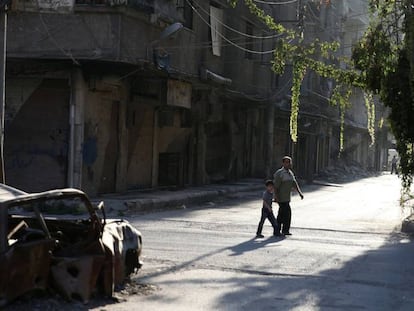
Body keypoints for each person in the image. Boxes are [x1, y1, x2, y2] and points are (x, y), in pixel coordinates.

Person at [273, 156, 304, 236]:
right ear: (283, 163)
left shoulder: (290, 173)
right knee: (283, 215)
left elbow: (294, 183)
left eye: (289, 162)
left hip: (287, 198)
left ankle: (284, 230)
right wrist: (276, 197)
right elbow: (276, 187)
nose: (288, 164)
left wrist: (300, 193)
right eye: (286, 162)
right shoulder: (280, 173)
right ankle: (278, 230)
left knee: (284, 215)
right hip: (281, 198)